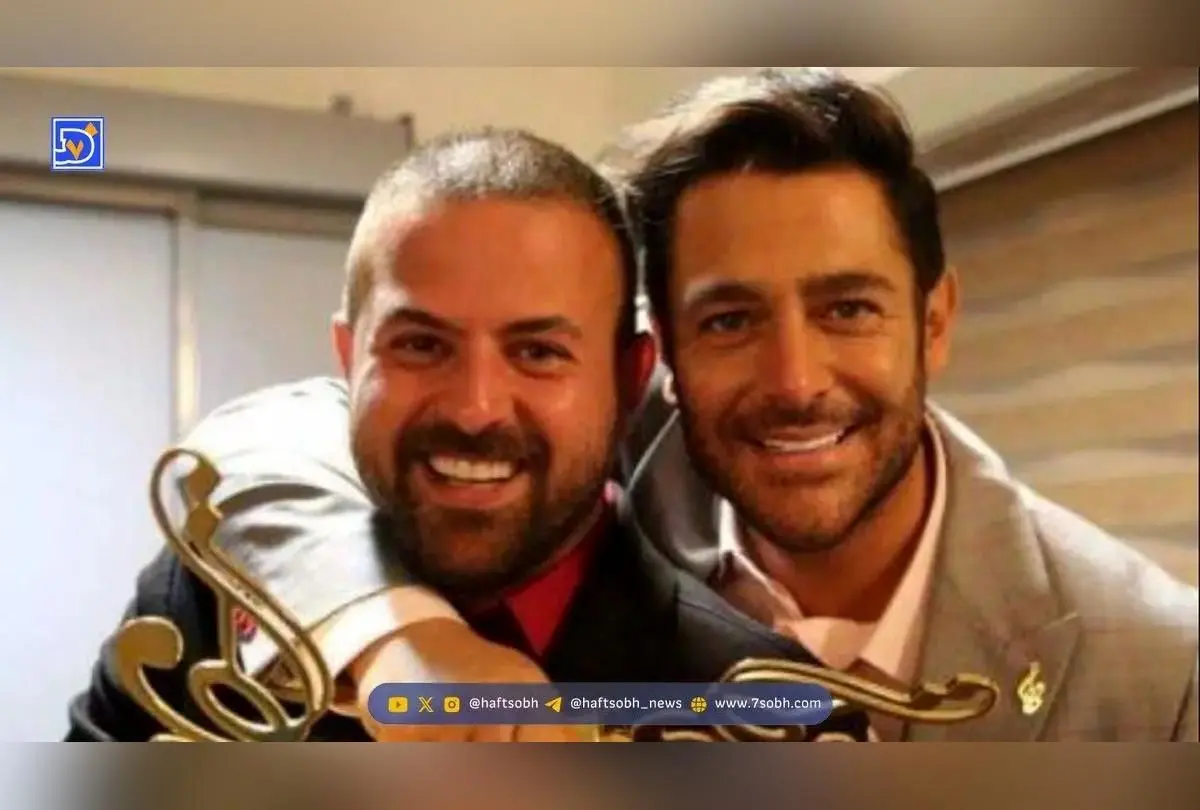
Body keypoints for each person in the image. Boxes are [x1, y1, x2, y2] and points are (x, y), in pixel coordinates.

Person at [74, 68, 1199, 742]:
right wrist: (402, 639)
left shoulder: (1153, 666)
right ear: (663, 362)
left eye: (848, 308)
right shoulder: (224, 586)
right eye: (730, 318)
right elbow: (269, 437)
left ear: (935, 319)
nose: (794, 380)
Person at [65, 126, 871, 742]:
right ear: (349, 357)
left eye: (539, 352)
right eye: (422, 345)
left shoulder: (774, 719)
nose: (476, 408)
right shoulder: (213, 589)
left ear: (629, 378)